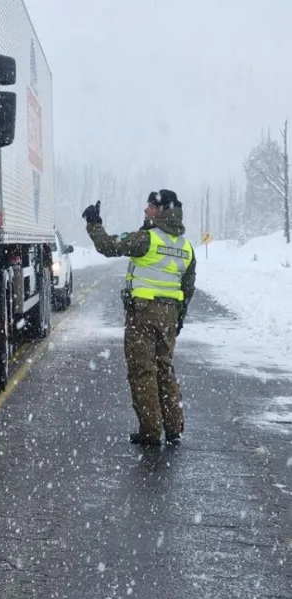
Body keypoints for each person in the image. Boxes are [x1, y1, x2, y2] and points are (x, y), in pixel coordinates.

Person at [82, 190, 196, 447]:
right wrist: (179, 317)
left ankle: (151, 431)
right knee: (164, 369)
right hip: (168, 316)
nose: (146, 210)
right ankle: (173, 427)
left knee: (142, 371)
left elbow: (109, 246)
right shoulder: (186, 247)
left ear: (163, 210)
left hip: (143, 314)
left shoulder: (147, 239)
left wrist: (93, 224)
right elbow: (188, 287)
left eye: (151, 207)